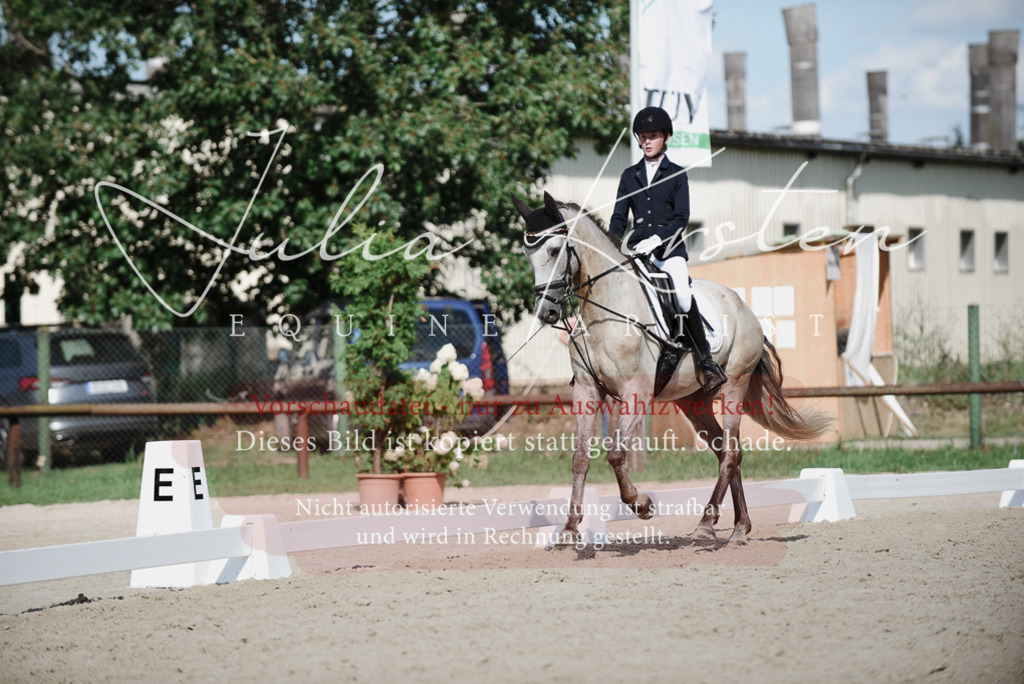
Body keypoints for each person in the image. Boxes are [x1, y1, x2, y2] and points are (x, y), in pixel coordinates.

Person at [609, 106, 727, 395]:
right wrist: (612, 244)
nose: (647, 141)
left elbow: (681, 218)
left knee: (683, 295)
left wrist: (658, 240)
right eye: (643, 136)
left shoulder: (676, 174)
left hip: (669, 250)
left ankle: (706, 361)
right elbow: (618, 217)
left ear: (666, 137)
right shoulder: (629, 175)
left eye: (653, 136)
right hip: (637, 250)